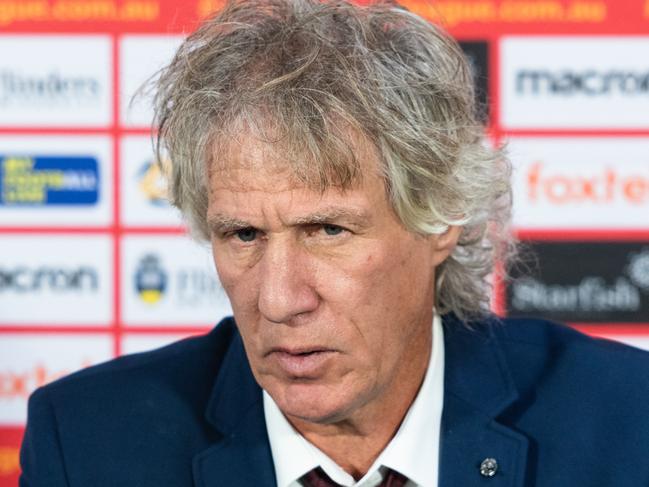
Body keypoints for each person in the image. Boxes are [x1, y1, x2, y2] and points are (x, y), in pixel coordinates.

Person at [19, 1, 649, 486]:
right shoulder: (88, 444)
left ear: (441, 218)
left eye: (327, 231)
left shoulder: (624, 423)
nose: (278, 299)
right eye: (243, 234)